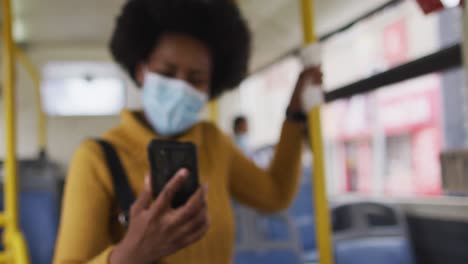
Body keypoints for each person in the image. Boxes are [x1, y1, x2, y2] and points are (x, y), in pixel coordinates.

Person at [53, 0, 323, 263]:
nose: (180, 88)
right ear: (141, 70)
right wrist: (129, 255)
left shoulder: (213, 143)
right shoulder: (96, 159)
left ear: (210, 89)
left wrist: (295, 114)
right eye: (168, 73)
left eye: (196, 80)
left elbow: (274, 194)